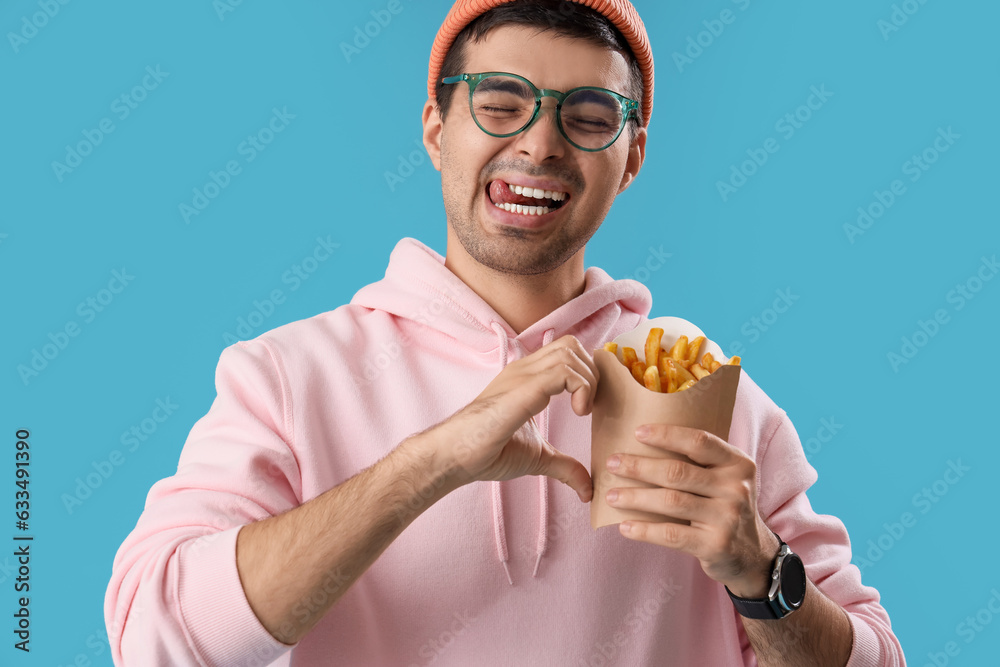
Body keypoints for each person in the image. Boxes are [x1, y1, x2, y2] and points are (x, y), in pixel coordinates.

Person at [105, 1, 906, 665]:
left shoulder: (710, 400)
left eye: (590, 116)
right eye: (499, 103)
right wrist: (431, 461)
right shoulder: (287, 376)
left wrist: (761, 572)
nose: (540, 143)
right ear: (435, 127)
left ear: (632, 158)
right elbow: (152, 639)